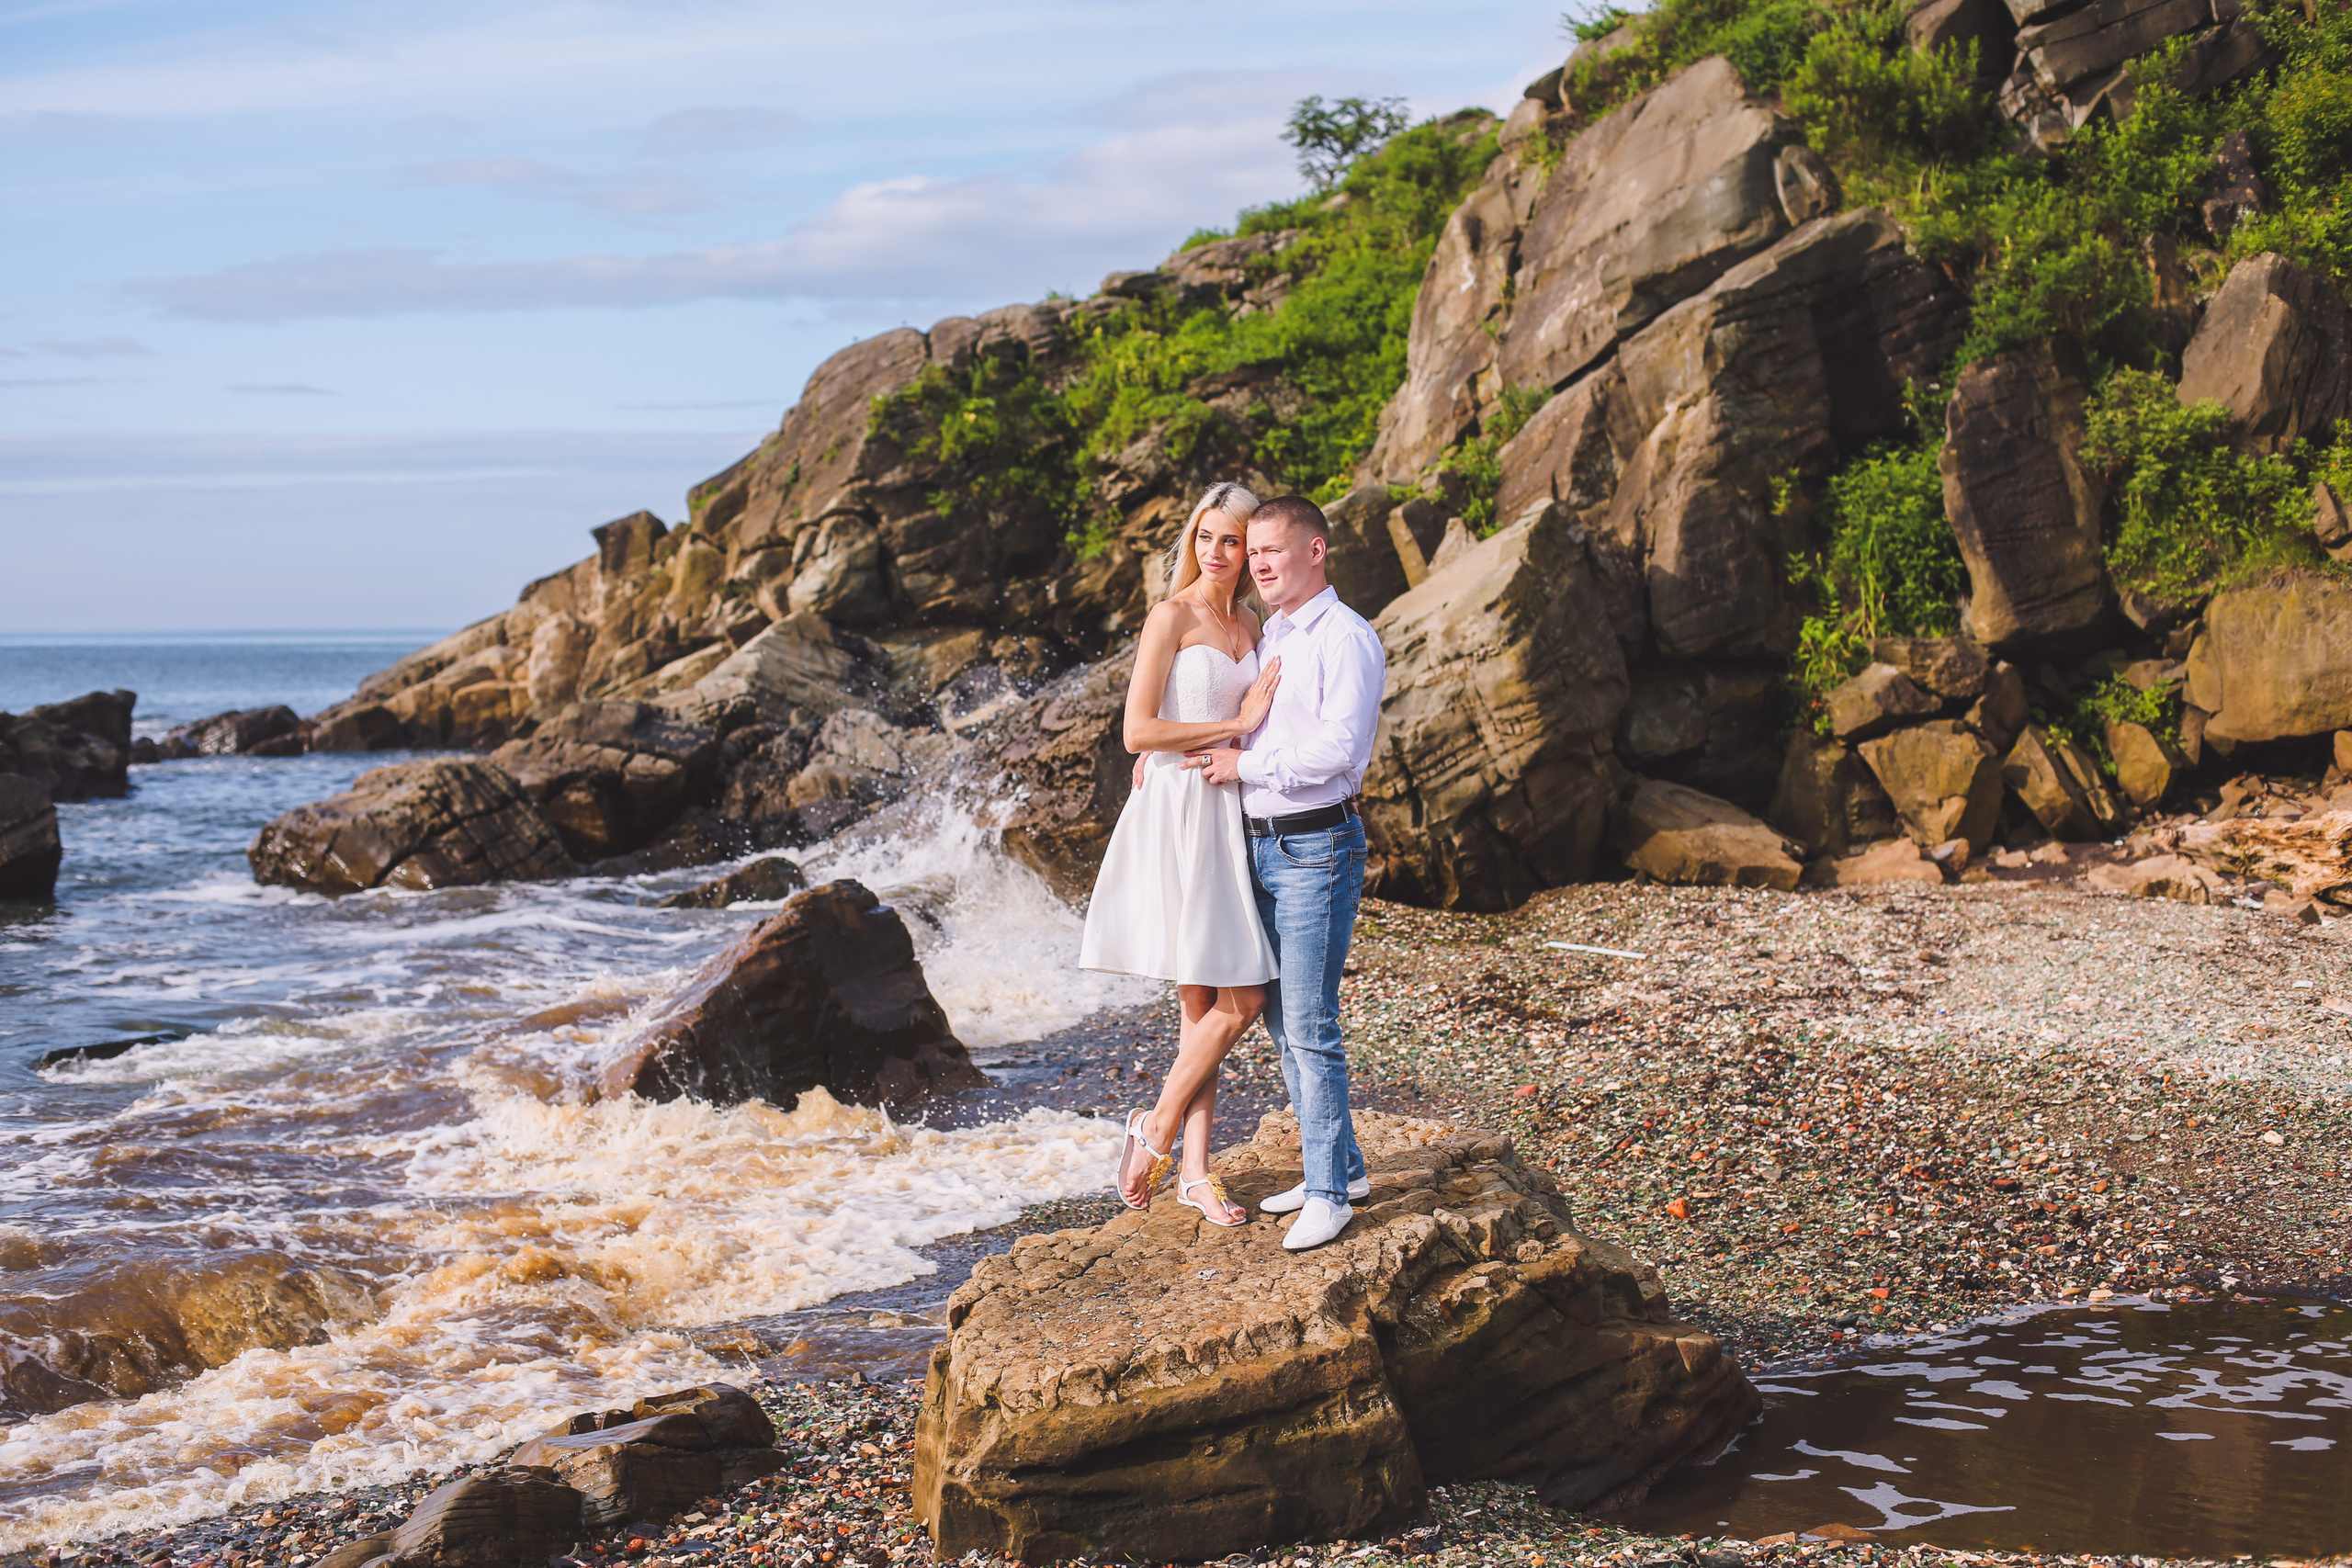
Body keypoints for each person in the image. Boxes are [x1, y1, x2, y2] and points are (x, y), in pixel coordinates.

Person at [1182, 493, 1385, 1252]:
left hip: (1316, 847)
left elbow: (1341, 752)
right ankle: (1340, 1166)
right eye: (1252, 551)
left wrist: (1246, 764)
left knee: (1310, 1023)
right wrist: (1158, 757)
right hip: (1260, 845)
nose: (1259, 562)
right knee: (1276, 1018)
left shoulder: (1346, 638)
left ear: (1315, 551)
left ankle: (1331, 1196)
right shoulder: (1273, 635)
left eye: (1273, 549)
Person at [1080, 481, 1283, 1229]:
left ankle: (1174, 1148)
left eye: (1232, 540)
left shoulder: (1255, 622)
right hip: (1181, 808)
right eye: (1206, 537)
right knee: (1219, 1000)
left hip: (1233, 807)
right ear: (1192, 540)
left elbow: (1262, 724)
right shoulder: (1170, 615)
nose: (1217, 553)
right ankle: (1177, 1151)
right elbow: (1137, 731)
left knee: (1217, 1002)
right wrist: (1230, 722)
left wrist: (1245, 734)